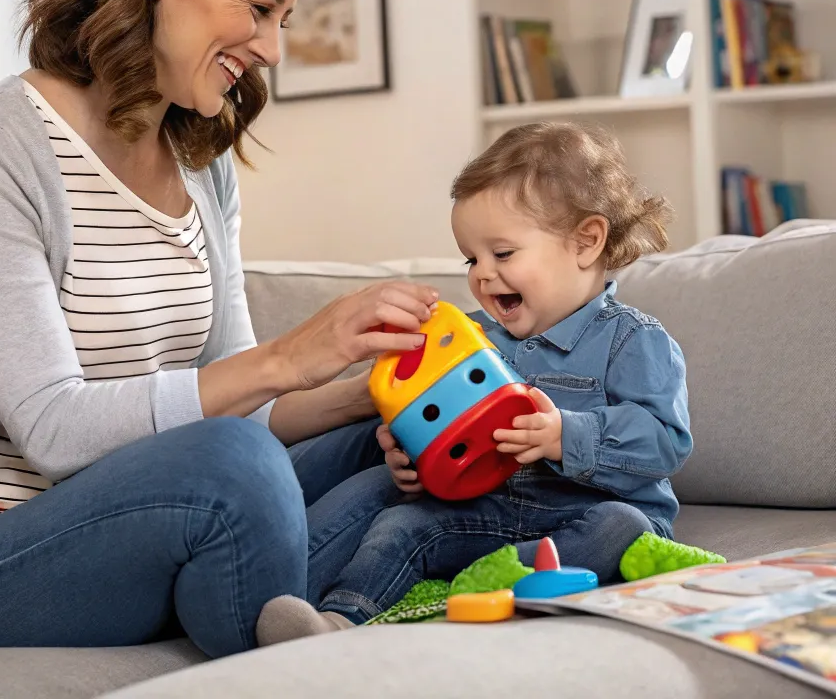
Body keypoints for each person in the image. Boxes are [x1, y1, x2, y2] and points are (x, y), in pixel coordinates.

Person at [0, 0, 436, 657]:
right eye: (261, 7)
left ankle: (291, 612)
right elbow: (54, 430)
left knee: (391, 453)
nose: (272, 49)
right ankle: (303, 640)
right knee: (231, 465)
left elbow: (246, 407)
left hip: (139, 517)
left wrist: (375, 392)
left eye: (284, 19)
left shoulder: (200, 165)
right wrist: (290, 355)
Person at [258, 122, 693, 643]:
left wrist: (564, 434)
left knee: (623, 528)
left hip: (585, 514)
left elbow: (664, 442)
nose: (482, 274)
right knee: (402, 525)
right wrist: (409, 455)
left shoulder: (634, 341)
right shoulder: (470, 337)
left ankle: (508, 581)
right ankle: (339, 618)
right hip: (489, 511)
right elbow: (432, 423)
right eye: (471, 258)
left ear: (586, 240)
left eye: (503, 254)